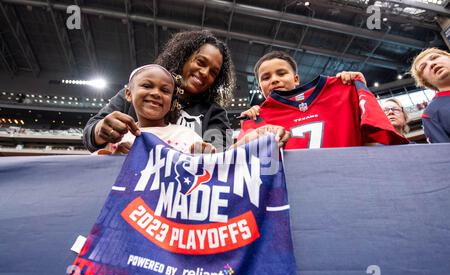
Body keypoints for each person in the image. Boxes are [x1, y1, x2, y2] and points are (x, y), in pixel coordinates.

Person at [83, 30, 236, 153]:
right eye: (200, 62)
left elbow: (222, 155)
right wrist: (100, 131)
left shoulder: (216, 112)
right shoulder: (137, 93)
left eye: (213, 72)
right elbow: (89, 135)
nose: (204, 73)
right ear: (183, 58)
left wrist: (208, 153)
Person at [238, 51, 409, 149]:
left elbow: (378, 136)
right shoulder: (256, 116)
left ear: (296, 78)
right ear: (259, 88)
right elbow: (237, 159)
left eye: (281, 73)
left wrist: (356, 88)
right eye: (266, 77)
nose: (274, 79)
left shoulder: (346, 87)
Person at [98, 64, 215, 155]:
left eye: (165, 90)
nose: (156, 93)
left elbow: (203, 175)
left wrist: (206, 159)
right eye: (147, 86)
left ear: (171, 102)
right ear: (128, 94)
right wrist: (116, 159)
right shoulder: (115, 136)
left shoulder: (188, 136)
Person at [411, 47, 450, 143]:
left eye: (435, 57)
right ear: (425, 81)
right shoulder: (431, 114)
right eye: (423, 67)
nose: (432, 64)